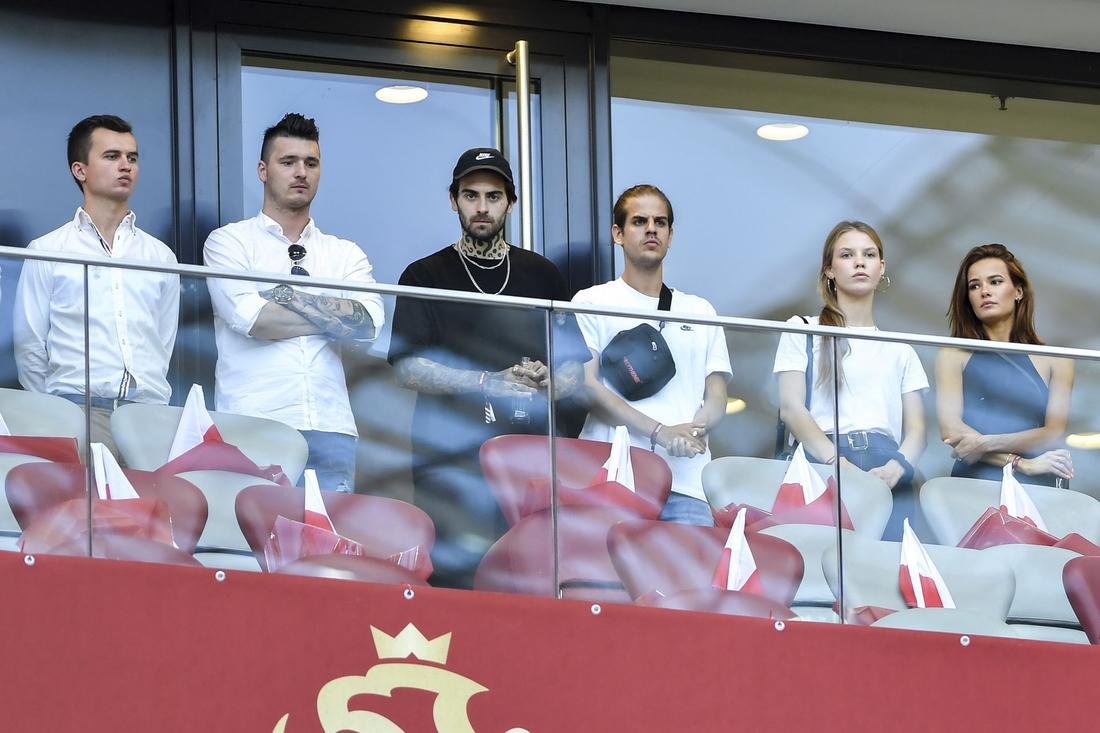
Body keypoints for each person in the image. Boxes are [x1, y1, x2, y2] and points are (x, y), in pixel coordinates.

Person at [388, 147, 589, 587]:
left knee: (532, 583)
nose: (482, 207)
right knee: (457, 585)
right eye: (471, 195)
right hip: (450, 462)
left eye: (493, 196)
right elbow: (406, 368)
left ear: (510, 203)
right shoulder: (425, 275)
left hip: (532, 467)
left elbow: (575, 369)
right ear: (453, 200)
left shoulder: (543, 275)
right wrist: (485, 381)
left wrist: (550, 381)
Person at [204, 113, 384, 493]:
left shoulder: (345, 253)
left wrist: (285, 295)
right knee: (252, 531)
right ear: (263, 170)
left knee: (329, 533)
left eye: (311, 163)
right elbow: (254, 320)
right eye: (288, 162)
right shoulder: (229, 242)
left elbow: (367, 324)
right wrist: (333, 314)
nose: (301, 172)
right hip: (253, 423)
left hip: (331, 428)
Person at [13, 114, 180, 454]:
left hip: (149, 419)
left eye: (132, 157)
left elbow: (162, 344)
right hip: (76, 412)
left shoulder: (160, 255)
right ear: (80, 170)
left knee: (148, 494)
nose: (126, 165)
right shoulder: (47, 250)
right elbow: (29, 346)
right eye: (112, 156)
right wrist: (56, 416)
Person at [573, 184, 731, 526]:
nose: (651, 229)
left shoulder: (700, 310)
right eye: (639, 221)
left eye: (660, 222)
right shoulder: (590, 301)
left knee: (689, 563)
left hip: (686, 482)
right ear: (617, 233)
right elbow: (587, 387)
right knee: (605, 564)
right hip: (614, 475)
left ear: (670, 236)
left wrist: (697, 430)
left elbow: (717, 396)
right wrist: (661, 432)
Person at [774, 221, 927, 541]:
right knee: (821, 557)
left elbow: (917, 431)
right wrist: (836, 461)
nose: (859, 262)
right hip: (823, 456)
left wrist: (898, 466)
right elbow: (791, 408)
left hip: (887, 464)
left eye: (868, 255)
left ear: (881, 267)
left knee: (887, 562)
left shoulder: (900, 349)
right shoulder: (803, 329)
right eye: (847, 255)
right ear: (829, 270)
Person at [936, 243, 1073, 487]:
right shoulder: (953, 354)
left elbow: (1053, 432)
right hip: (974, 481)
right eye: (974, 286)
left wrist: (984, 443)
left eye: (995, 282)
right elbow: (951, 430)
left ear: (1018, 291)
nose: (984, 291)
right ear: (968, 299)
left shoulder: (1057, 358)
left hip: (1038, 483)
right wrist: (1020, 463)